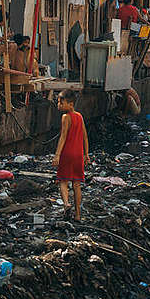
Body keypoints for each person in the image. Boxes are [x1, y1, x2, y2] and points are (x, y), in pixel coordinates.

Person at [53, 89, 89, 221]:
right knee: (77, 184)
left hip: (67, 154)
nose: (59, 105)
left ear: (71, 104)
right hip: (78, 155)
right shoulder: (79, 116)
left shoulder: (65, 117)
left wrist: (57, 155)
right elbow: (85, 136)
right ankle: (78, 215)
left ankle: (67, 203)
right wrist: (86, 154)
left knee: (62, 180)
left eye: (61, 103)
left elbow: (63, 137)